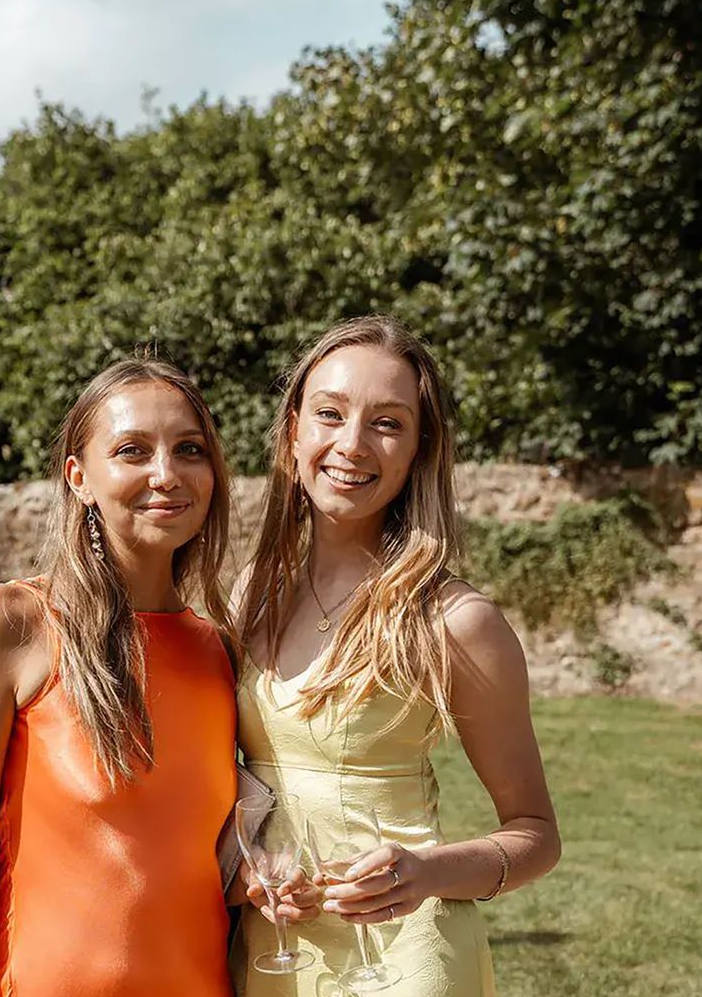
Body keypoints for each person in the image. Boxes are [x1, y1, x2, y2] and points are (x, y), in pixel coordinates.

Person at [231, 315, 561, 996]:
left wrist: (426, 871)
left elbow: (536, 834)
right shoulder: (253, 595)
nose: (351, 444)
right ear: (293, 431)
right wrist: (248, 870)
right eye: (329, 414)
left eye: (387, 423)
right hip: (271, 949)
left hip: (399, 959)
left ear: (418, 449)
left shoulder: (456, 621)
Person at [0, 358, 239, 997]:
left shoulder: (219, 650)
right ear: (79, 477)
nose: (166, 474)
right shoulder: (9, 624)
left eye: (189, 449)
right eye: (132, 451)